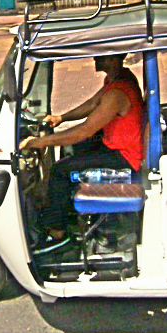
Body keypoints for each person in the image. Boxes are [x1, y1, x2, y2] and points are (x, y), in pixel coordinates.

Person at [21, 54, 145, 244]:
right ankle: (61, 207)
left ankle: (56, 231)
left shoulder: (117, 94)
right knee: (69, 150)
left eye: (101, 56)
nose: (95, 59)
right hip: (114, 146)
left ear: (113, 59)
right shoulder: (117, 79)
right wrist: (61, 118)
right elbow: (93, 104)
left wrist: (41, 142)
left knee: (60, 170)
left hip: (124, 158)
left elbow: (84, 131)